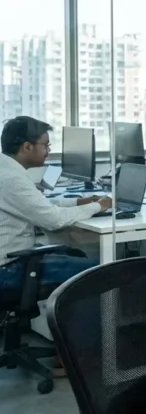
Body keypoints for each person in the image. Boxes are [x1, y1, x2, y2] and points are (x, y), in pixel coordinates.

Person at [0, 116, 109, 292]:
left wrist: (79, 201)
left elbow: (38, 204)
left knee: (76, 254)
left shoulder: (6, 169)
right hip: (8, 269)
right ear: (27, 147)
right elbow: (53, 220)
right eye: (45, 145)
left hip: (14, 258)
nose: (48, 151)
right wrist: (98, 206)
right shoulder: (12, 179)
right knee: (102, 271)